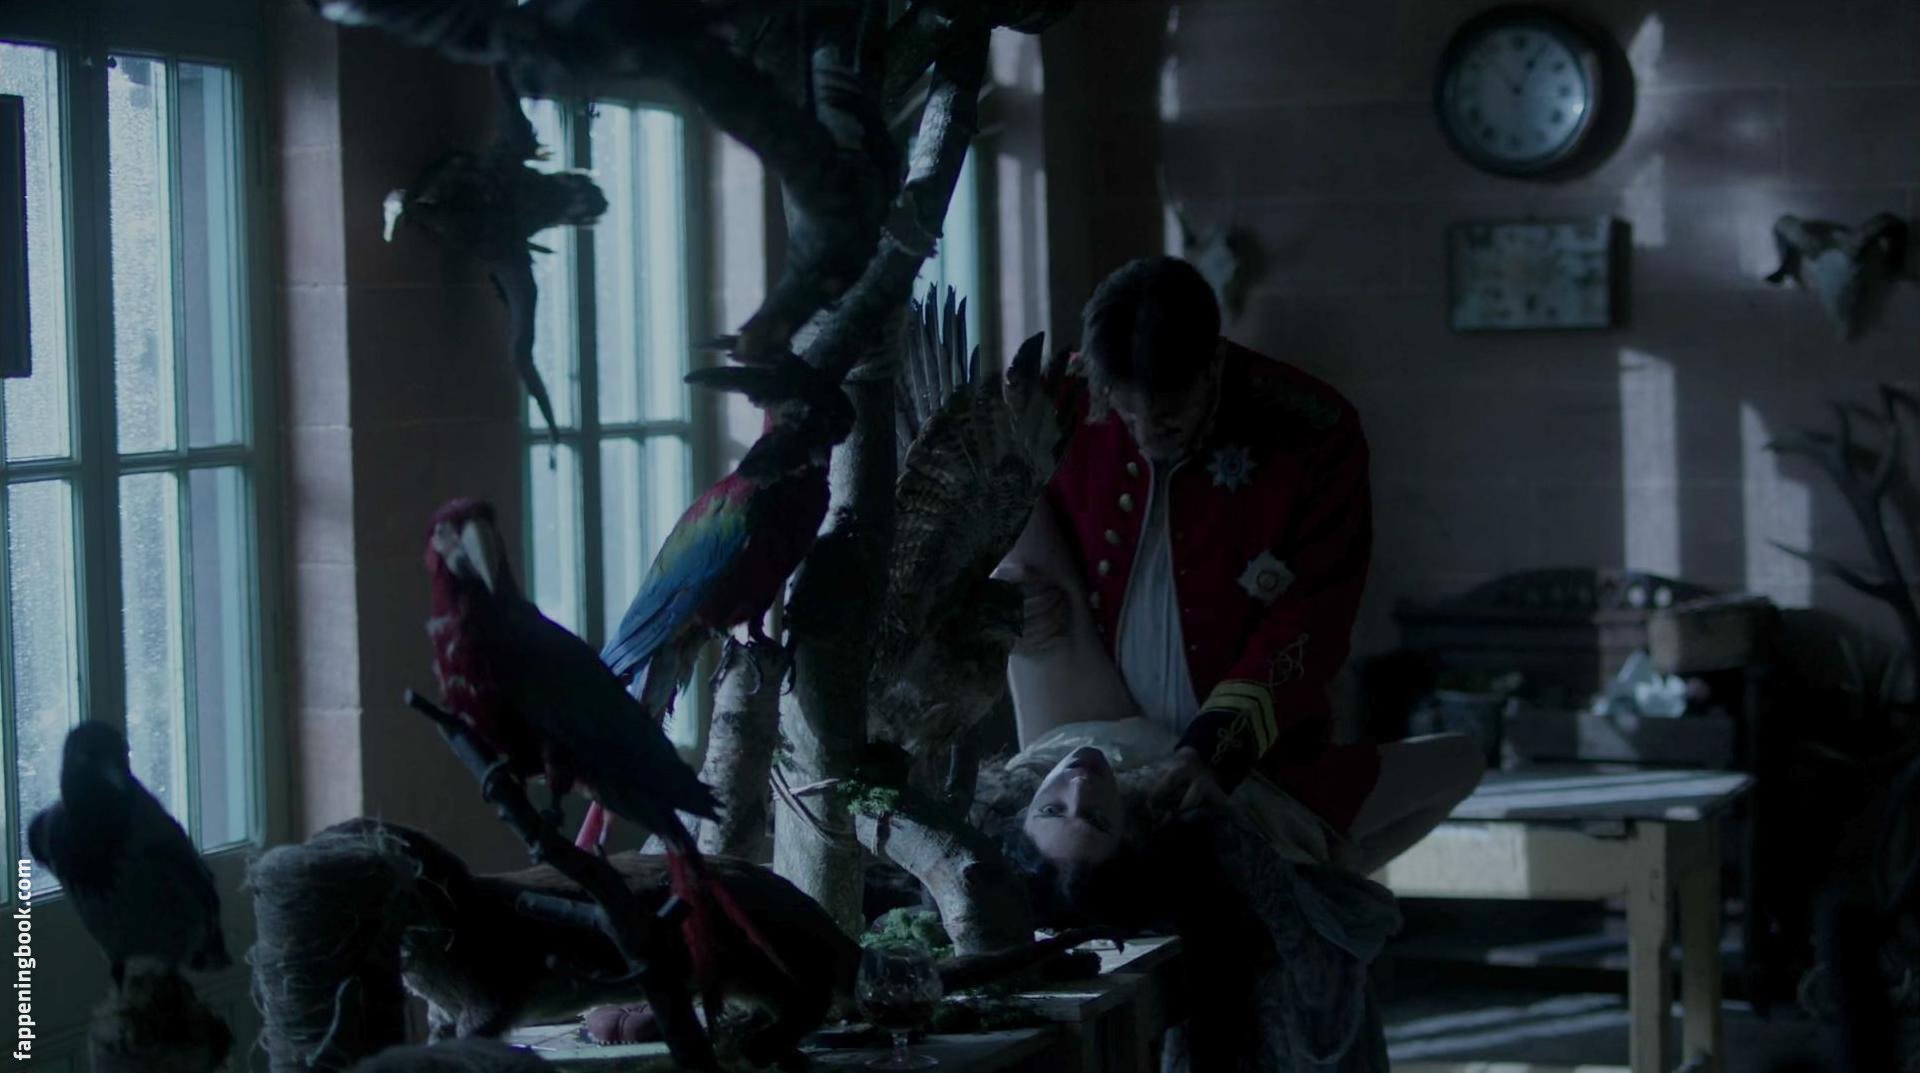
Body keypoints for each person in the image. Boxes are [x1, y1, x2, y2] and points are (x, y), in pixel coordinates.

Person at [996, 256, 1484, 877]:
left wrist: (1215, 749)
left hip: (1253, 753)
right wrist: (1006, 599)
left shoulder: (1313, 430)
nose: (1144, 434)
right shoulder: (1055, 400)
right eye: (1125, 412)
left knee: (1321, 861)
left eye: (1166, 416)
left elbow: (1312, 617)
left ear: (1213, 364)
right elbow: (1007, 533)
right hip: (1088, 722)